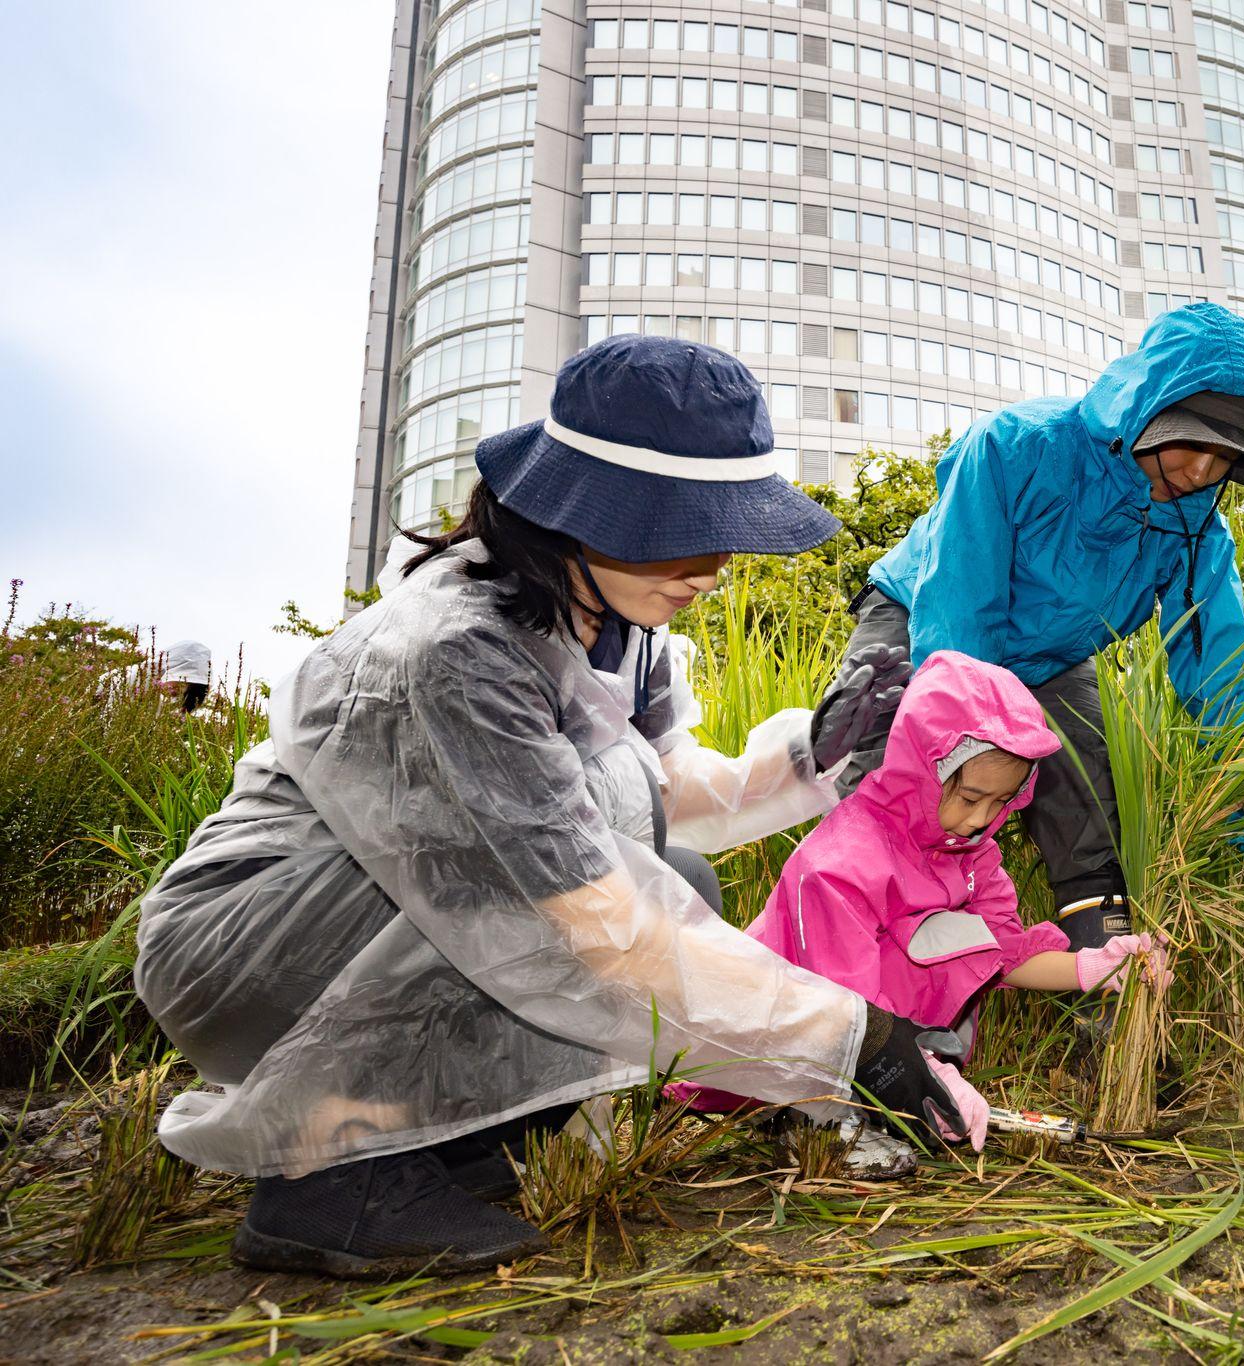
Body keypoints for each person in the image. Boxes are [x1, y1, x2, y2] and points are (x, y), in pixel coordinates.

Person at [133, 336, 962, 1279]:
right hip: (252, 941)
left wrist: (815, 749)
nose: (713, 565)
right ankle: (331, 1168)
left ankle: (445, 1137)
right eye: (684, 530)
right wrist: (851, 1037)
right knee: (594, 896)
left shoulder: (620, 620)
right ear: (583, 511)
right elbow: (594, 920)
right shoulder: (458, 650)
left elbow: (661, 798)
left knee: (675, 873)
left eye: (724, 532)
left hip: (394, 917)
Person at [816, 303, 1244, 966]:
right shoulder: (1017, 447)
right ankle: (860, 968)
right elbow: (960, 615)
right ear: (1148, 405)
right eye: (1194, 442)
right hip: (925, 616)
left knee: (1087, 794)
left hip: (1054, 656)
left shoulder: (1199, 531)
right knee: (898, 775)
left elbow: (1224, 677)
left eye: (1226, 458)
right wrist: (964, 746)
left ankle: (1107, 983)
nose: (1203, 473)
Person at [670, 651, 1169, 1172]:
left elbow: (1000, 954)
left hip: (881, 1048)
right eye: (970, 796)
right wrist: (917, 1070)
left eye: (1000, 802)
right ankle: (818, 1121)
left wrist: (1095, 967)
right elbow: (839, 998)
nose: (981, 819)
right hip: (780, 1049)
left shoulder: (974, 854)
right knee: (919, 943)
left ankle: (864, 1104)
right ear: (924, 769)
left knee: (955, 933)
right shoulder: (842, 861)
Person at [96, 639, 212, 713]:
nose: (180, 690)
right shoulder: (129, 678)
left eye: (187, 687)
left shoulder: (155, 699)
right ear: (173, 668)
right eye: (182, 682)